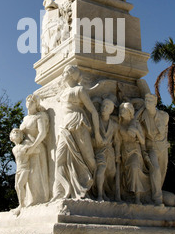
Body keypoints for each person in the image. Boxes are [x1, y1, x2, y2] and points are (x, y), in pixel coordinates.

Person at [53, 65, 103, 200]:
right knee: (59, 159)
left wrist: (97, 133)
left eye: (64, 73)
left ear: (70, 75)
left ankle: (95, 190)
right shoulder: (62, 93)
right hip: (64, 127)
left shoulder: (79, 90)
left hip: (78, 124)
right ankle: (61, 192)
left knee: (89, 158)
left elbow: (93, 111)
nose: (62, 75)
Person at [136, 93, 169, 206]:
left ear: (155, 103)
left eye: (150, 101)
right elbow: (135, 120)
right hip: (151, 147)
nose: (147, 103)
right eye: (146, 101)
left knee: (162, 170)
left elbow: (165, 132)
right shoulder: (143, 117)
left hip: (163, 147)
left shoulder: (164, 116)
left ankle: (156, 192)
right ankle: (157, 198)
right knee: (155, 168)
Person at [19, 94, 50, 206]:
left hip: (37, 148)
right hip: (25, 151)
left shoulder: (40, 116)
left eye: (31, 101)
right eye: (27, 101)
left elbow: (42, 133)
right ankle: (27, 201)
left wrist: (33, 147)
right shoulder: (25, 118)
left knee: (34, 174)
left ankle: (37, 200)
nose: (29, 103)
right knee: (26, 177)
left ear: (36, 104)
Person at [118, 102, 148, 204]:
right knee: (126, 173)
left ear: (130, 112)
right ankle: (128, 194)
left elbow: (143, 141)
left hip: (135, 150)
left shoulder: (135, 123)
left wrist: (137, 132)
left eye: (124, 110)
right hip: (124, 151)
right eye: (121, 109)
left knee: (135, 167)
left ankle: (138, 197)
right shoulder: (119, 124)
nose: (122, 111)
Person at [94, 97, 120, 201]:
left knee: (112, 173)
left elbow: (117, 140)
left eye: (107, 107)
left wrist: (118, 154)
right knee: (101, 169)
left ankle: (107, 192)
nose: (104, 108)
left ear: (111, 110)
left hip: (110, 152)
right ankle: (100, 194)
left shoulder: (114, 125)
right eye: (103, 106)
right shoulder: (96, 121)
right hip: (99, 150)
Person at [9, 128, 31, 214]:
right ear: (11, 137)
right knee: (16, 186)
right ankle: (21, 203)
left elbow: (37, 151)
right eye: (14, 132)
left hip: (25, 168)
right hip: (18, 169)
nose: (16, 133)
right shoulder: (14, 149)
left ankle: (22, 205)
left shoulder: (25, 146)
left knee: (20, 184)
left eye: (18, 132)